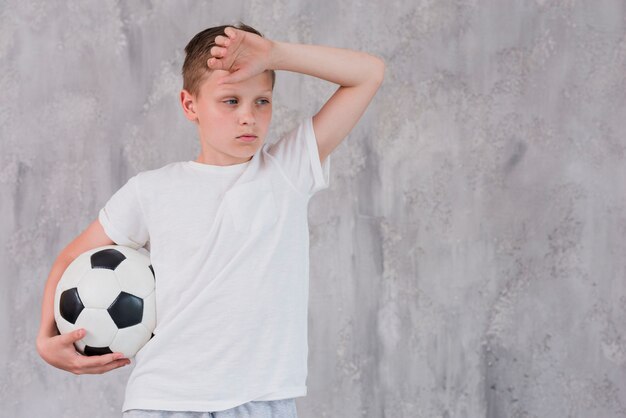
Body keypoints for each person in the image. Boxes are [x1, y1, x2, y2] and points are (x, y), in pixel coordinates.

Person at [36, 22, 385, 417]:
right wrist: (45, 338)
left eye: (262, 101)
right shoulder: (150, 190)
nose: (248, 117)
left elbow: (369, 74)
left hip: (260, 399)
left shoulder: (287, 172)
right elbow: (69, 259)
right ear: (190, 105)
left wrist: (276, 55)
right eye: (230, 101)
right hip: (164, 400)